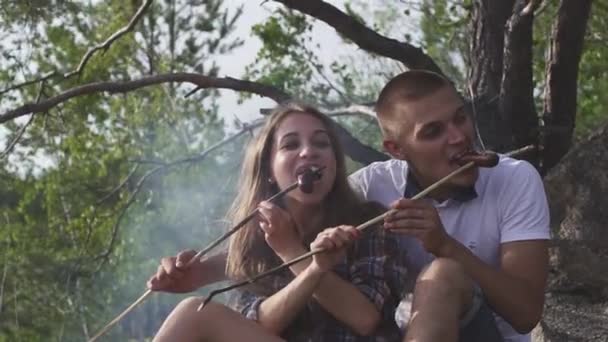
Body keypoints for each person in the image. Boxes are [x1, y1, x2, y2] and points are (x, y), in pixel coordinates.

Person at [147, 103, 407, 341]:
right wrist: (301, 260)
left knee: (194, 313)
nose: (309, 152)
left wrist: (293, 251)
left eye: (321, 144)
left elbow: (365, 319)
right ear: (269, 171)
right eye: (291, 145)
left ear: (335, 164)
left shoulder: (367, 220)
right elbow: (257, 324)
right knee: (193, 313)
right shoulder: (257, 245)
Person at [347, 70, 550, 342]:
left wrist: (446, 246)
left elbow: (526, 314)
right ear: (396, 149)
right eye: (433, 132)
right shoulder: (370, 186)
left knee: (442, 275)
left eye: (460, 118)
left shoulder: (514, 178)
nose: (458, 137)